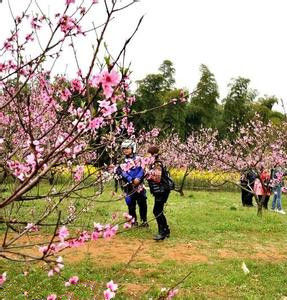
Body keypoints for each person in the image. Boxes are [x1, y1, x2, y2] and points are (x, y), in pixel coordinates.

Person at [116, 139, 148, 226]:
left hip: (140, 184)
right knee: (131, 204)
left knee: (142, 203)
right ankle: (133, 221)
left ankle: (144, 220)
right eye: (123, 148)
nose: (125, 150)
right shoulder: (121, 161)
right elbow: (121, 172)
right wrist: (130, 179)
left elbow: (143, 168)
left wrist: (138, 178)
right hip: (128, 185)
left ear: (133, 148)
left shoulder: (139, 159)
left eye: (127, 148)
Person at [146, 146, 173, 241]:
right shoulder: (155, 163)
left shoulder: (157, 164)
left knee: (157, 211)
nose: (147, 155)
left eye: (149, 153)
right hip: (160, 190)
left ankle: (162, 232)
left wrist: (147, 174)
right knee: (158, 211)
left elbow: (157, 178)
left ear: (153, 154)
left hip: (162, 191)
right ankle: (166, 230)